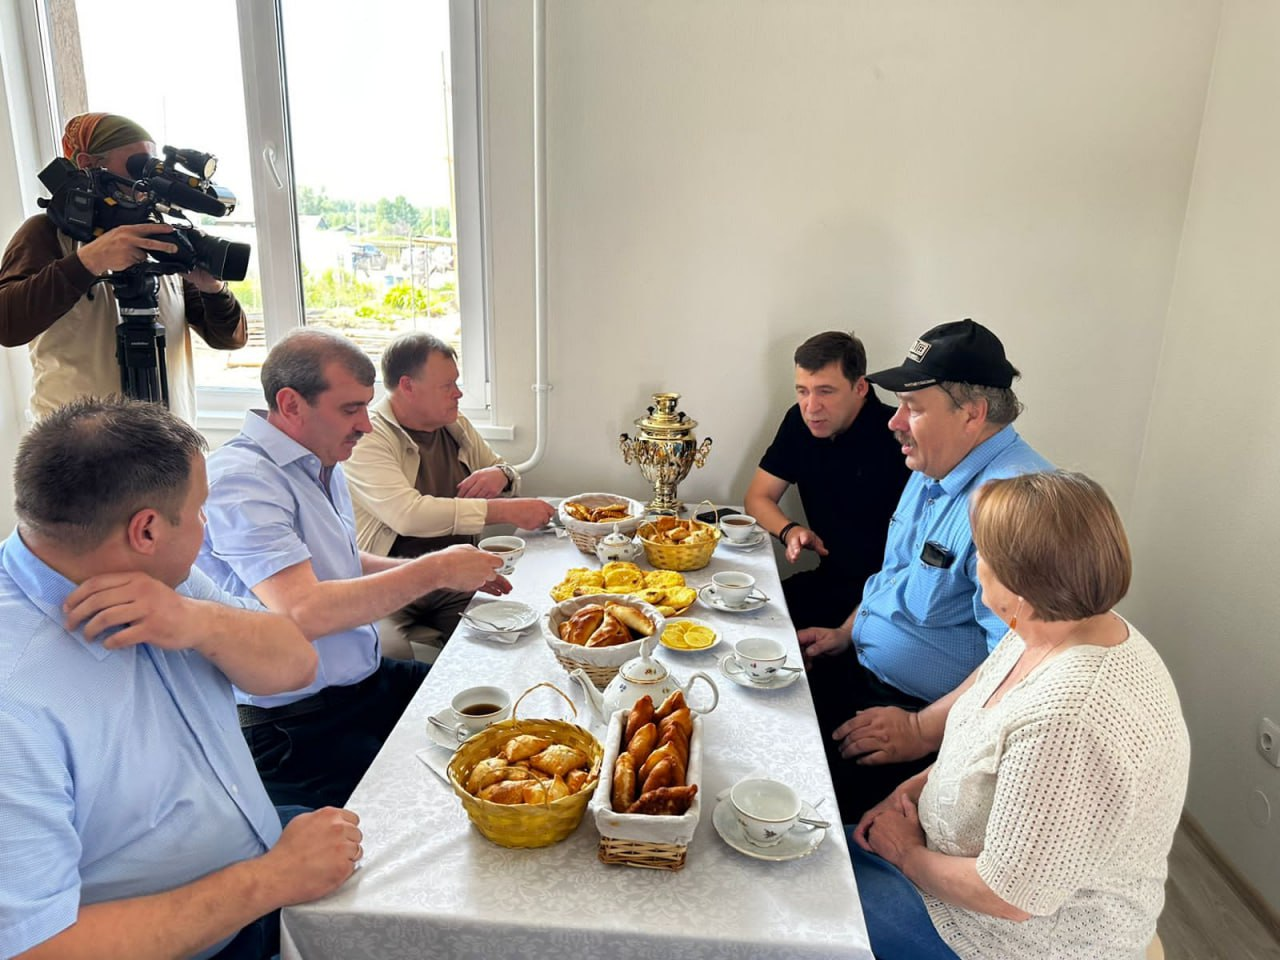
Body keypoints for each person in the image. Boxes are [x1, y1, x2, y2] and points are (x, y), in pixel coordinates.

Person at [0, 397, 362, 960]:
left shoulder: (153, 574)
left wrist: (195, 619)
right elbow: (37, 948)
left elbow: (296, 663)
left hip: (262, 858)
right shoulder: (14, 698)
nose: (205, 526)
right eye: (200, 513)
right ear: (146, 529)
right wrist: (271, 880)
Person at [850, 471, 1189, 960]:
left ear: (1018, 584)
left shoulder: (1071, 717)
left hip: (997, 937)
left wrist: (905, 854)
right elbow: (980, 732)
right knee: (801, 863)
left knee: (796, 909)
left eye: (981, 553)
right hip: (939, 868)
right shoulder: (1047, 624)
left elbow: (1008, 897)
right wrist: (914, 789)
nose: (974, 564)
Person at [197, 328, 509, 811]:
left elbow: (339, 565)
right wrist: (436, 569)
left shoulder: (320, 461)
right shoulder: (242, 480)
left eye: (366, 406)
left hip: (361, 686)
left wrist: (443, 571)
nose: (366, 424)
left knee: (496, 709)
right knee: (431, 808)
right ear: (291, 404)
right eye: (350, 409)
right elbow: (303, 611)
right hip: (297, 725)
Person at [797, 319, 1052, 823]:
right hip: (864, 672)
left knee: (799, 819)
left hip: (921, 719)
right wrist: (848, 631)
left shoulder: (1016, 505)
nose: (894, 421)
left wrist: (919, 731)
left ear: (972, 414)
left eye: (913, 408)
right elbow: (898, 573)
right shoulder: (934, 463)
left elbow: (1023, 663)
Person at [0, 112, 247, 424]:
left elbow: (229, 339)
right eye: (138, 165)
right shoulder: (47, 233)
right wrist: (89, 262)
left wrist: (212, 288)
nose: (147, 179)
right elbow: (7, 325)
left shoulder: (158, 234)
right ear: (88, 163)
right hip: (76, 454)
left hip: (169, 449)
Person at [344, 331, 555, 658]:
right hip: (388, 579)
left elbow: (504, 471)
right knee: (387, 654)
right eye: (447, 386)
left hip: (456, 579)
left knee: (520, 631)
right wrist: (501, 511)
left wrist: (502, 474)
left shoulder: (455, 425)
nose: (458, 393)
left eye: (457, 383)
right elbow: (408, 514)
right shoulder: (369, 436)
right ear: (408, 386)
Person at [744, 330, 909, 628]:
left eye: (825, 391)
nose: (811, 406)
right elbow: (757, 497)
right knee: (743, 614)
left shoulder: (899, 435)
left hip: (886, 598)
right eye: (802, 390)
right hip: (828, 580)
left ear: (860, 387)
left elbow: (911, 565)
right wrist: (789, 531)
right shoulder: (798, 420)